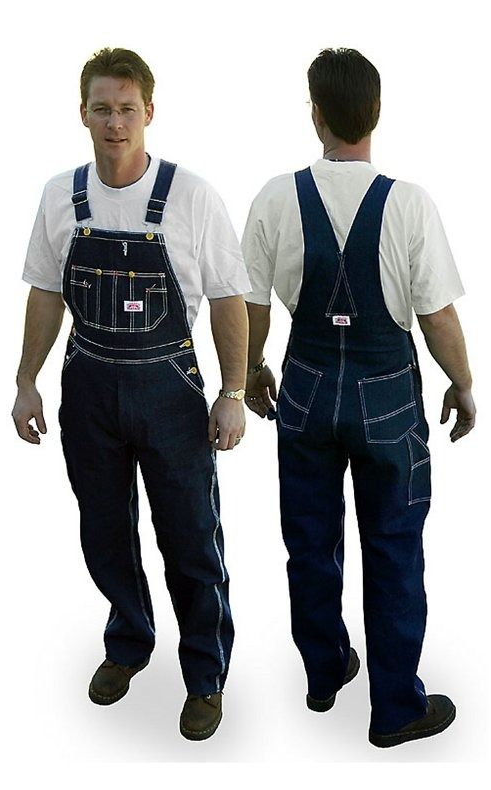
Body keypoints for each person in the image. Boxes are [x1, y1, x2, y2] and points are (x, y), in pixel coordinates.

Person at [12, 47, 250, 741]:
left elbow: (228, 298)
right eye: (101, 110)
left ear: (149, 111)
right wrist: (25, 380)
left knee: (191, 539)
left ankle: (204, 675)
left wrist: (233, 391)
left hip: (169, 390)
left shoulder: (191, 195)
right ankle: (128, 643)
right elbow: (46, 292)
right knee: (105, 530)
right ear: (82, 114)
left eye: (126, 109)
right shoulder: (60, 195)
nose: (114, 123)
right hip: (88, 387)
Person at [241, 48, 475, 748]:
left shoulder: (275, 197)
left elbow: (251, 305)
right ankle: (396, 709)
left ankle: (323, 673)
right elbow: (436, 316)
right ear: (376, 113)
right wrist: (463, 383)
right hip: (386, 399)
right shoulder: (409, 204)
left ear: (315, 114)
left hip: (305, 391)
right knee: (393, 548)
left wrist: (250, 369)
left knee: (309, 542)